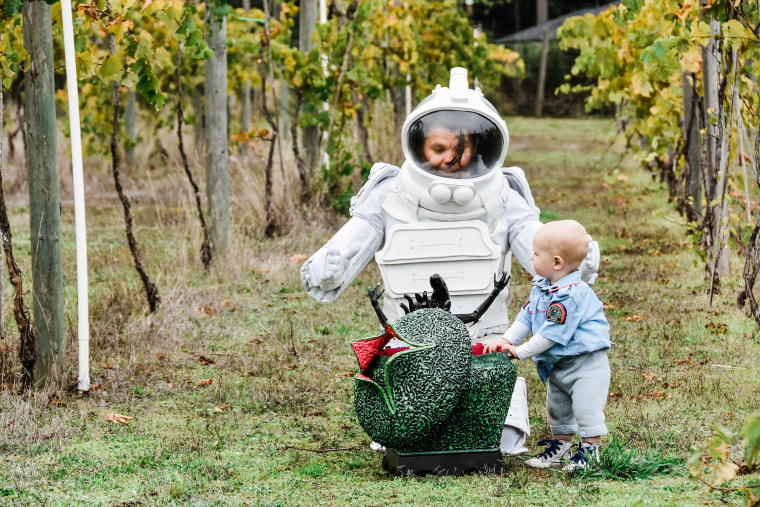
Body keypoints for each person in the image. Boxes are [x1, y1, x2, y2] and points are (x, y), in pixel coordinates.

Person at [300, 67, 599, 454]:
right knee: (405, 432)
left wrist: (578, 264)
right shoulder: (390, 193)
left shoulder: (504, 195)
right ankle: (400, 422)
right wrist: (330, 266)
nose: (450, 159)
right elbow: (347, 247)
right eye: (438, 149)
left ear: (480, 148)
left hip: (484, 350)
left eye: (461, 149)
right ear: (419, 145)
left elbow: (538, 246)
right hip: (409, 351)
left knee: (501, 438)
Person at [484, 220, 611, 470]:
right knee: (558, 408)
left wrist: (519, 352)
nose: (531, 256)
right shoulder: (542, 288)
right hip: (560, 364)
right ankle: (561, 449)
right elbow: (528, 317)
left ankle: (589, 453)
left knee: (586, 409)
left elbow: (551, 335)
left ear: (556, 262)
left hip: (585, 364)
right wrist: (508, 339)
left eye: (536, 253)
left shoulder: (570, 295)